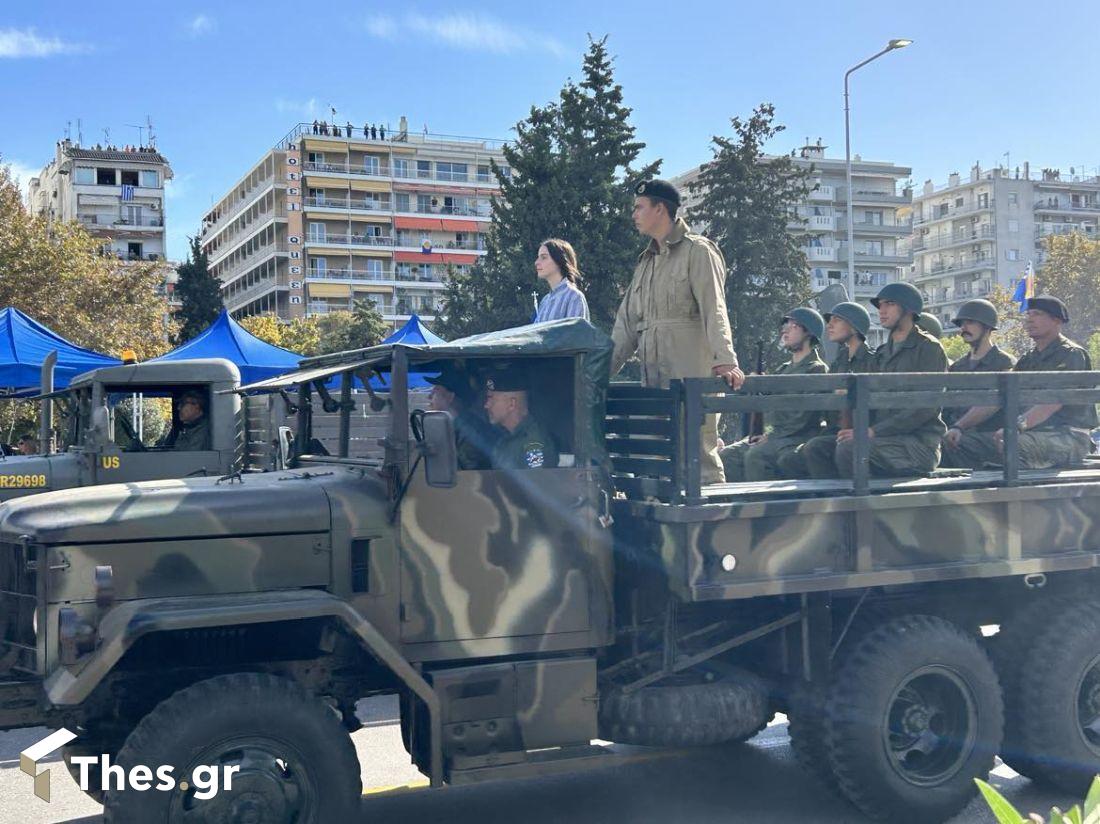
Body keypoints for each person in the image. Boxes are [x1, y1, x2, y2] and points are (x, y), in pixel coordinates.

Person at [611, 179, 743, 484]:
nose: (634, 214)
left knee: (698, 455)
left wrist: (726, 359)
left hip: (692, 374)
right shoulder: (645, 263)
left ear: (660, 209)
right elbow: (625, 327)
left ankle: (712, 524)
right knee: (660, 454)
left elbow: (715, 308)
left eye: (639, 207)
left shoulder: (698, 251)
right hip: (656, 378)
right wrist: (598, 371)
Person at [806, 283, 947, 478]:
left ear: (908, 308)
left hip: (918, 444)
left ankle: (859, 505)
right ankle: (834, 502)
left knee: (849, 449)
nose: (882, 310)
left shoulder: (928, 348)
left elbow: (925, 408)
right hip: (883, 438)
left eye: (889, 304)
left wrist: (872, 431)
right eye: (880, 305)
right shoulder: (882, 353)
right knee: (817, 448)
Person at [720, 308, 828, 482]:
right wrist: (759, 387)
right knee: (727, 456)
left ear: (808, 332)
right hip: (774, 436)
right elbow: (770, 412)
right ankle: (738, 502)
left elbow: (801, 418)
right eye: (785, 324)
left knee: (755, 456)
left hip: (796, 437)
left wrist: (769, 436)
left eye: (792, 325)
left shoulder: (815, 369)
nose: (785, 330)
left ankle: (759, 504)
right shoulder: (784, 369)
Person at [990, 296, 1096, 468]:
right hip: (1033, 433)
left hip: (1069, 436)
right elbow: (1005, 393)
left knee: (1013, 444)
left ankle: (1021, 493)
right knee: (965, 445)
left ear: (1056, 320)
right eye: (1028, 314)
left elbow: (1053, 402)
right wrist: (959, 427)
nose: (1029, 319)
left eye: (1037, 314)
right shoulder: (1028, 359)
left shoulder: (1071, 354)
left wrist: (1015, 427)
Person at [787, 301, 878, 478]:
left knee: (816, 448)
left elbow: (876, 405)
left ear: (853, 326)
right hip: (836, 428)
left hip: (860, 428)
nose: (830, 325)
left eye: (837, 320)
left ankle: (836, 496)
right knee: (792, 457)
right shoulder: (839, 360)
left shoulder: (872, 360)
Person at [940, 299, 1016, 468]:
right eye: (962, 323)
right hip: (957, 433)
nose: (964, 328)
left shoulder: (1004, 363)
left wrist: (958, 427)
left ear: (987, 327)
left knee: (952, 446)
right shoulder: (958, 367)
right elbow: (947, 406)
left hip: (990, 436)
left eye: (971, 322)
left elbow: (993, 403)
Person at [483, 367, 559, 470]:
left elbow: (535, 483)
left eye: (491, 399)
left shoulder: (533, 443)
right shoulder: (505, 438)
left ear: (511, 404)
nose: (486, 405)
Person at [425, 365, 498, 470]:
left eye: (435, 391)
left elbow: (468, 474)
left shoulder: (471, 431)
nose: (429, 396)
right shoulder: (454, 426)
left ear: (450, 397)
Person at [534, 238, 589, 322]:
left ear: (559, 260)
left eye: (544, 257)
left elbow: (577, 333)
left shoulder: (574, 297)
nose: (537, 262)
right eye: (538, 257)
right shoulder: (545, 301)